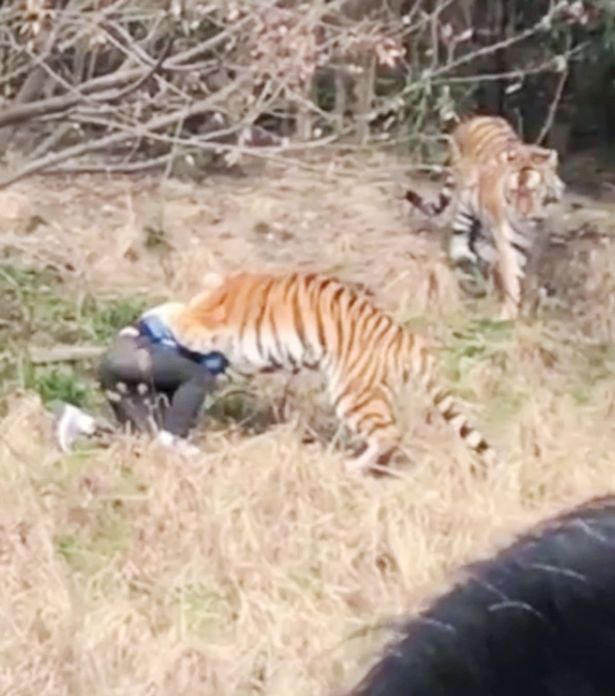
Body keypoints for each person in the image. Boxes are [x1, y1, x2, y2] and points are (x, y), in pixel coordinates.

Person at [55, 301, 228, 455]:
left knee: (144, 438)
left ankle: (82, 422)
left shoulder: (173, 315)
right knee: (198, 376)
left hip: (117, 363)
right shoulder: (185, 317)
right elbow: (200, 371)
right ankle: (174, 439)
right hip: (136, 355)